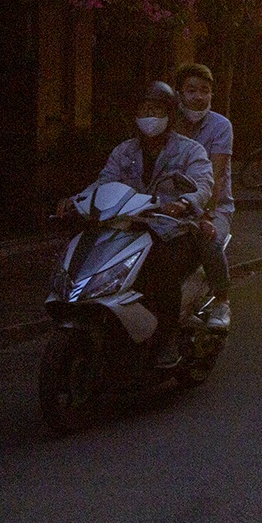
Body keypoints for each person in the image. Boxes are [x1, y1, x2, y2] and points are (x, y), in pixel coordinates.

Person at [97, 81, 215, 368]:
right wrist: (78, 200)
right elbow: (104, 182)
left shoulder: (190, 151)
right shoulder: (123, 152)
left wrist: (184, 203)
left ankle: (168, 337)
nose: (150, 115)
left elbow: (203, 184)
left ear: (170, 114)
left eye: (157, 109)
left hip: (173, 231)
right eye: (144, 109)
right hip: (129, 228)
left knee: (163, 269)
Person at [170, 62, 233, 331]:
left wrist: (205, 213)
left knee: (208, 241)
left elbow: (217, 177)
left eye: (204, 91)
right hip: (170, 205)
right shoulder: (168, 124)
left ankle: (222, 301)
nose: (198, 97)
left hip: (213, 206)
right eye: (191, 90)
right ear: (179, 93)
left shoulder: (221, 126)